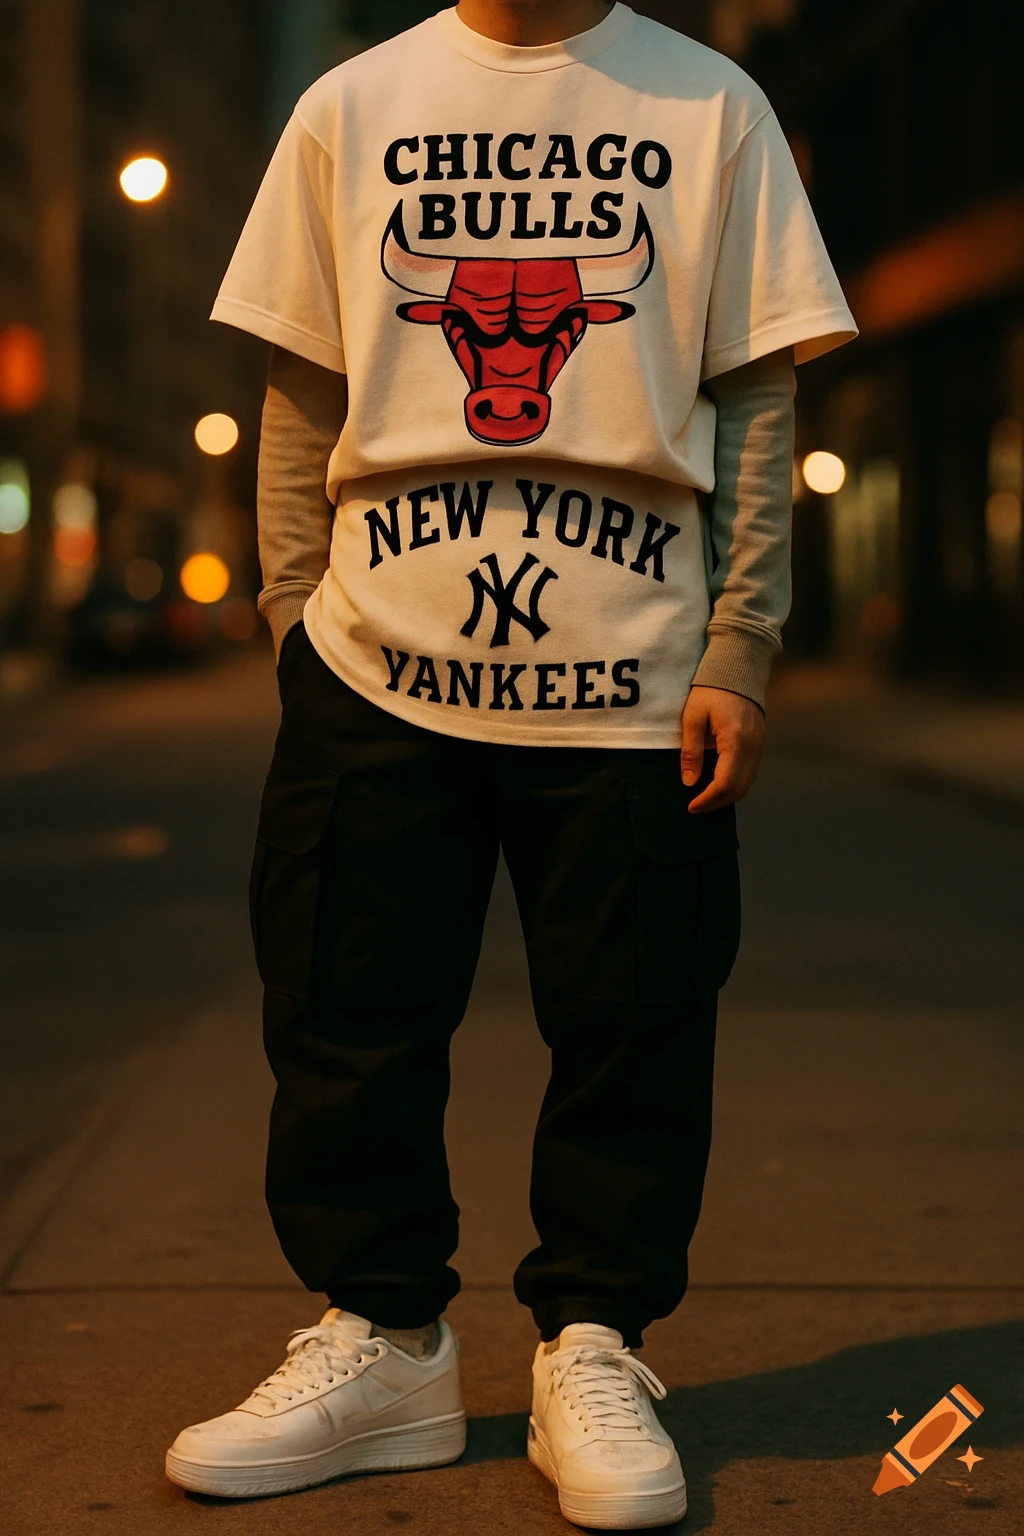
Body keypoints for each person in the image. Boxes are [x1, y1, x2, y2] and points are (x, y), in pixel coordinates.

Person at [165, 0, 855, 1525]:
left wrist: (741, 645)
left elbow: (754, 392)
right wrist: (295, 619)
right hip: (375, 657)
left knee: (636, 1023)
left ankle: (594, 1344)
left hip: (636, 666)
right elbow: (305, 389)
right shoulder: (354, 105)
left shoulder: (711, 104)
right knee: (343, 1007)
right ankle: (384, 1341)